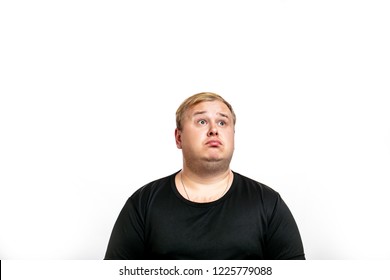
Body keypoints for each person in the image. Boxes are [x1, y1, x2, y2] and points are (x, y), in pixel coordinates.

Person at [104, 92, 305, 260]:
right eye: (201, 121)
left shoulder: (268, 203)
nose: (214, 130)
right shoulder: (143, 203)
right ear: (178, 138)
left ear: (233, 135)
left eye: (222, 122)